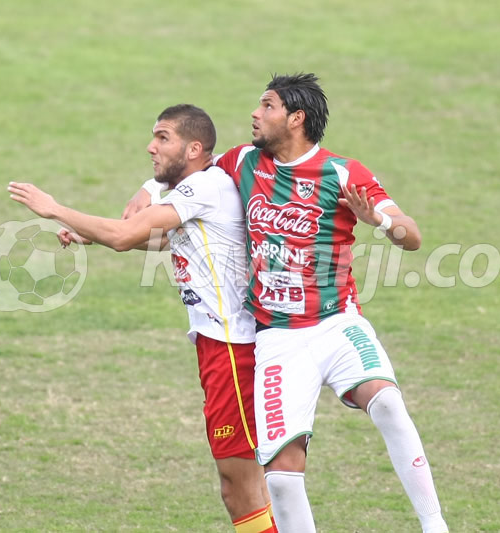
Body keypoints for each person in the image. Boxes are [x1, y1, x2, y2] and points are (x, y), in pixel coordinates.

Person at [126, 75, 449, 532]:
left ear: (295, 118)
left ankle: (435, 525)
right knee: (279, 479)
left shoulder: (343, 172)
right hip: (277, 339)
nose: (255, 114)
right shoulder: (242, 162)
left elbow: (411, 236)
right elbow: (190, 165)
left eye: (267, 106)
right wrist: (148, 186)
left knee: (389, 403)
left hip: (336, 323)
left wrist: (374, 216)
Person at [8, 104, 277, 533]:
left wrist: (54, 208)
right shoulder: (203, 190)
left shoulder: (204, 189)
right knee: (251, 485)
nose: (151, 147)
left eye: (162, 137)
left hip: (233, 352)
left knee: (240, 487)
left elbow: (123, 235)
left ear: (193, 148)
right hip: (221, 347)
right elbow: (167, 241)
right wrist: (88, 233)